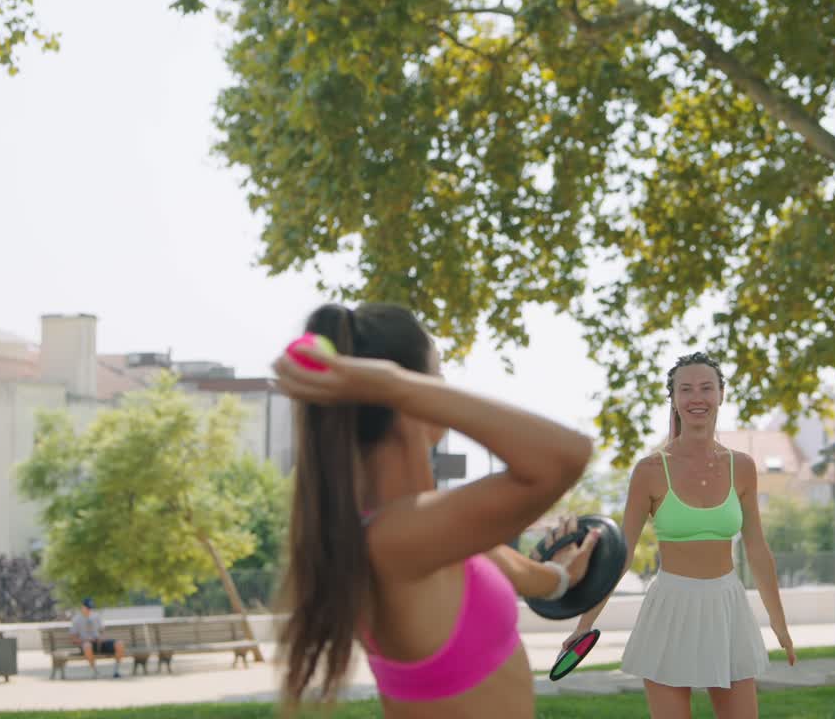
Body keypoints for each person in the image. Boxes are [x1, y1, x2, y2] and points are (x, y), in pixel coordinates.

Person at [271, 302, 600, 719]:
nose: (444, 392)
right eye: (438, 377)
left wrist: (562, 577)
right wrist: (396, 385)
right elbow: (566, 455)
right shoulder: (396, 539)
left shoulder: (423, 531)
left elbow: (516, 571)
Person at [566, 352, 797, 719]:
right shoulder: (650, 470)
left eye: (706, 388)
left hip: (727, 608)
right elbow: (620, 555)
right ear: (673, 399)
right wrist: (585, 623)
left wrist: (779, 624)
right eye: (685, 389)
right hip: (670, 609)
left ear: (722, 394)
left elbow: (757, 548)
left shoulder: (743, 467)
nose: (696, 398)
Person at [69, 597, 124, 679]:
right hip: (87, 644)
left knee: (119, 643)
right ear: (82, 607)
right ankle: (95, 672)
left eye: (90, 608)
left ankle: (116, 671)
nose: (89, 610)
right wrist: (86, 640)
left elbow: (102, 631)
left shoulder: (96, 616)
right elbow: (73, 639)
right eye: (87, 608)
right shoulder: (76, 619)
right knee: (87, 646)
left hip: (100, 643)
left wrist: (101, 638)